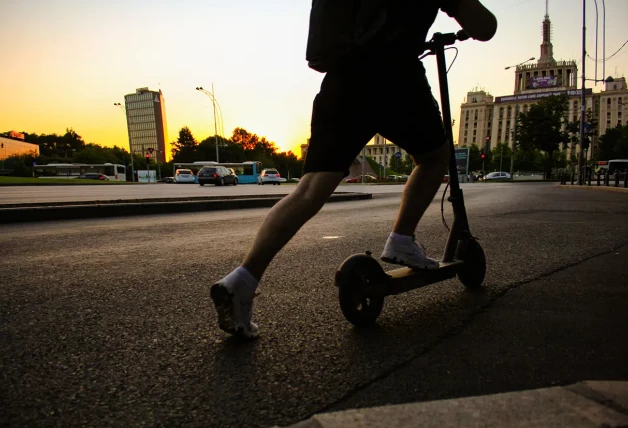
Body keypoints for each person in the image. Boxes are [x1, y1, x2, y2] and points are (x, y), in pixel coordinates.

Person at [211, 0, 498, 339]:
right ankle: (402, 239)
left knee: (308, 190)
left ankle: (242, 280)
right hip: (396, 77)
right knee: (435, 157)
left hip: (343, 80)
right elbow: (486, 26)